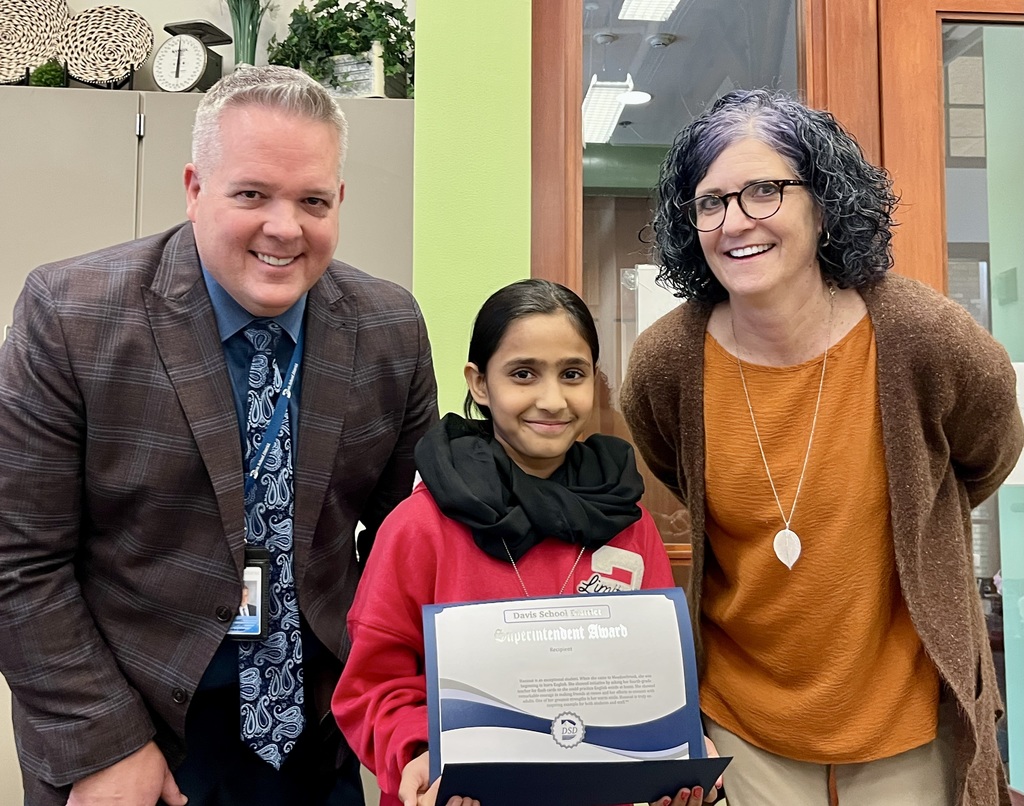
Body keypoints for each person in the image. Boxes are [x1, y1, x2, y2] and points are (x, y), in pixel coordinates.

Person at [0, 65, 437, 805]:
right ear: (195, 187)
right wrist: (107, 745)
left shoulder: (390, 326)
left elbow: (407, 543)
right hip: (140, 738)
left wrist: (400, 706)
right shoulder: (73, 315)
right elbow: (19, 561)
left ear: (340, 201)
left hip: (317, 732)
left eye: (312, 200)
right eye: (251, 194)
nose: (284, 227)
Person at [621, 88, 1024, 806]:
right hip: (742, 726)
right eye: (710, 202)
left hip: (907, 722)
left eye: (764, 192)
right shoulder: (666, 364)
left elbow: (985, 452)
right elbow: (676, 475)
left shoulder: (924, 337)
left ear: (824, 201)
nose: (734, 222)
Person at [332, 279, 719, 806]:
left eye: (573, 374)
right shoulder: (418, 526)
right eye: (523, 374)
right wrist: (422, 752)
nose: (552, 400)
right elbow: (372, 688)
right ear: (480, 383)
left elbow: (658, 679)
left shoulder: (629, 523)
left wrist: (674, 760)